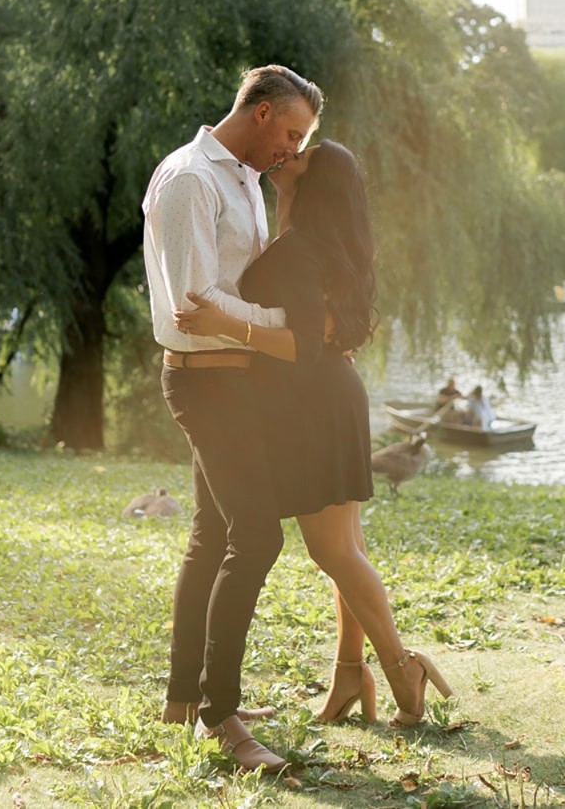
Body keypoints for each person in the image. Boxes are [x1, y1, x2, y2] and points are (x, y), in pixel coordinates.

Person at [176, 139, 452, 731]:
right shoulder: (316, 245)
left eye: (299, 156)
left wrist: (226, 323)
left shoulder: (300, 250)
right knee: (344, 550)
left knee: (333, 551)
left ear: (314, 183)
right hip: (329, 396)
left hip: (314, 402)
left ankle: (403, 666)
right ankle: (349, 673)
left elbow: (300, 344)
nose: (285, 157)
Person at [141, 64, 322, 772]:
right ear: (262, 111)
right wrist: (293, 325)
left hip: (235, 380)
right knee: (257, 536)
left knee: (213, 532)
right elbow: (196, 301)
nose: (294, 149)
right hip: (203, 380)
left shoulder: (243, 176)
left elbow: (233, 288)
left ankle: (187, 697)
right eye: (291, 133)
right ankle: (223, 715)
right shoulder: (191, 178)